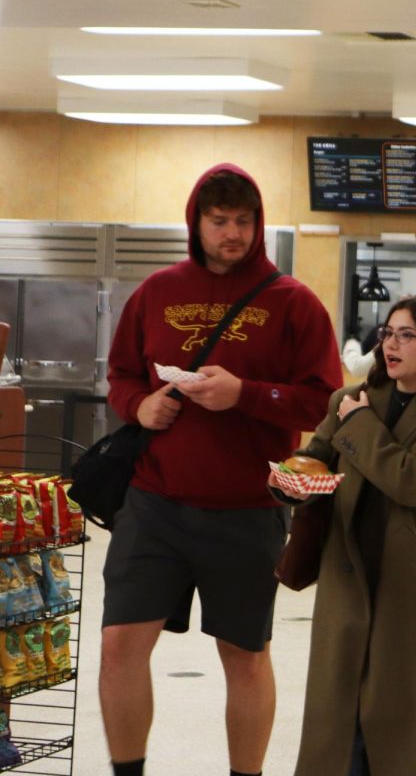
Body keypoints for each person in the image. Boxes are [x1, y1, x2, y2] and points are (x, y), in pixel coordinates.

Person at [100, 164, 343, 776]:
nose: (232, 233)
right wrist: (139, 404)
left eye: (243, 221)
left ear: (258, 225)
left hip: (248, 508)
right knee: (120, 644)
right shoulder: (156, 291)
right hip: (154, 503)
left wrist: (249, 395)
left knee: (245, 652)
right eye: (219, 221)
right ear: (197, 223)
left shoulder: (294, 302)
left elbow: (321, 400)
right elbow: (122, 375)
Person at [277, 296, 416, 775]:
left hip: (409, 574)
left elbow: (410, 481)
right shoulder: (349, 398)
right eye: (387, 333)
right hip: (345, 566)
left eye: (406, 335)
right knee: (338, 707)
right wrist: (289, 482)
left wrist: (359, 422)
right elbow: (316, 459)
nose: (391, 344)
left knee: (398, 709)